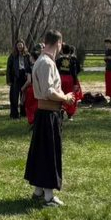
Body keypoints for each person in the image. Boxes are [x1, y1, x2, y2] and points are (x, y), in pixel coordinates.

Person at [24, 30, 70, 206]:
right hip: (48, 114)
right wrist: (66, 97)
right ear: (58, 43)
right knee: (49, 155)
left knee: (41, 153)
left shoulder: (41, 61)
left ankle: (38, 191)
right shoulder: (46, 63)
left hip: (45, 114)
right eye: (60, 44)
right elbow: (49, 91)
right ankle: (49, 197)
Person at [56, 44, 81, 118]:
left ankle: (61, 110)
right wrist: (75, 83)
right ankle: (70, 114)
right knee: (70, 95)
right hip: (69, 79)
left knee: (61, 94)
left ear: (62, 51)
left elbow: (56, 70)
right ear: (70, 52)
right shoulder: (72, 60)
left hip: (60, 79)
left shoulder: (59, 60)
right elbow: (75, 71)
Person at [8, 41, 33, 116]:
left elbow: (31, 65)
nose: (19, 47)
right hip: (15, 77)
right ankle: (14, 113)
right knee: (14, 96)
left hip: (25, 77)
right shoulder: (12, 56)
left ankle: (24, 112)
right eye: (18, 45)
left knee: (24, 95)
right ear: (16, 46)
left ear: (23, 46)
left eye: (21, 45)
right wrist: (9, 80)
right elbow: (8, 68)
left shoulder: (27, 55)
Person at [24, 44, 41, 127]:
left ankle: (32, 121)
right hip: (40, 88)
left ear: (32, 57)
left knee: (30, 106)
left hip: (32, 88)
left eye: (30, 57)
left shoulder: (30, 67)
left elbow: (29, 81)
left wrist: (22, 88)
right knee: (38, 105)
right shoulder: (41, 65)